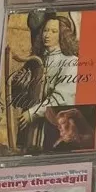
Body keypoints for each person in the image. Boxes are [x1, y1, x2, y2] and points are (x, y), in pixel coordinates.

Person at [11, 13, 79, 152]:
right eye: (46, 30)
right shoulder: (36, 60)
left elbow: (62, 98)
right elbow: (21, 98)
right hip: (29, 128)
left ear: (62, 35)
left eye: (54, 31)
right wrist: (21, 84)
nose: (47, 35)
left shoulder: (70, 61)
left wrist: (32, 113)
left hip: (54, 126)